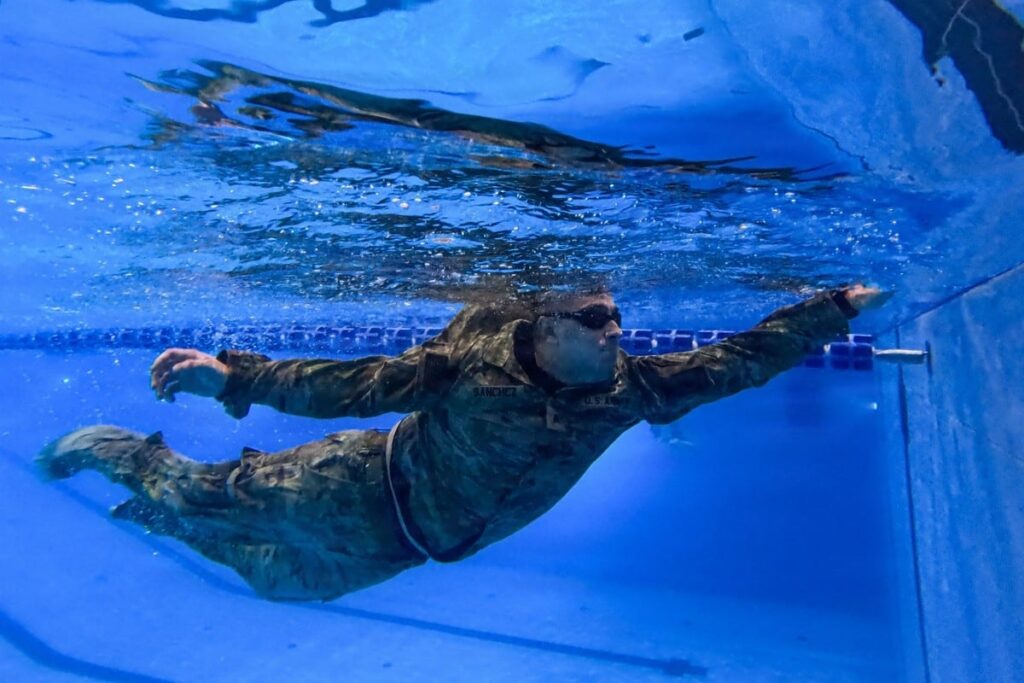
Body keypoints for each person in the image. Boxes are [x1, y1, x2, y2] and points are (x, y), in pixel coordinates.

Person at [37, 285, 889, 601]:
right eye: (595, 317)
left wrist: (833, 310)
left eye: (619, 314)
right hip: (355, 484)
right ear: (544, 323)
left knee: (280, 585)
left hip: (412, 547)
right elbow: (345, 384)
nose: (618, 328)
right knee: (191, 493)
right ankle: (113, 449)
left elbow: (739, 360)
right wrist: (233, 380)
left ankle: (159, 515)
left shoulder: (635, 390)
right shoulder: (467, 367)